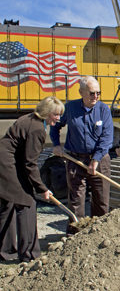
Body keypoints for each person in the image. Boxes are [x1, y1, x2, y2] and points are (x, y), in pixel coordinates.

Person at [0, 97, 62, 262]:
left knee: (8, 204)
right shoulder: (37, 129)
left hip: (6, 162)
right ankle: (29, 254)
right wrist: (42, 188)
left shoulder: (29, 118)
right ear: (47, 113)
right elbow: (30, 164)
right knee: (27, 203)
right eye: (56, 114)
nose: (58, 118)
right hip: (7, 165)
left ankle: (5, 251)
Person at [50, 76, 113, 234]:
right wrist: (56, 145)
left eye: (99, 93)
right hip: (75, 158)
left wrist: (96, 159)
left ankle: (99, 233)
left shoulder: (103, 110)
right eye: (92, 93)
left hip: (99, 159)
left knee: (101, 199)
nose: (96, 97)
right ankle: (75, 234)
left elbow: (107, 137)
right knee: (76, 199)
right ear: (81, 92)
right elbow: (55, 125)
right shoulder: (70, 108)